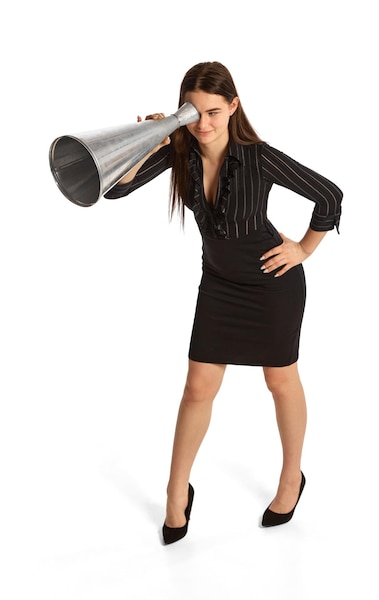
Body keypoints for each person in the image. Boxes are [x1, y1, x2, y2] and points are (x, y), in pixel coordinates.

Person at [105, 61, 343, 544]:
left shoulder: (258, 157)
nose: (205, 124)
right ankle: (176, 495)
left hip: (272, 285)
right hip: (217, 284)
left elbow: (329, 196)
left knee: (279, 381)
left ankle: (291, 478)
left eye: (214, 112)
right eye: (193, 114)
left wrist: (302, 249)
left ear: (233, 106)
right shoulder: (178, 152)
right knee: (197, 389)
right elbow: (115, 189)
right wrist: (150, 139)